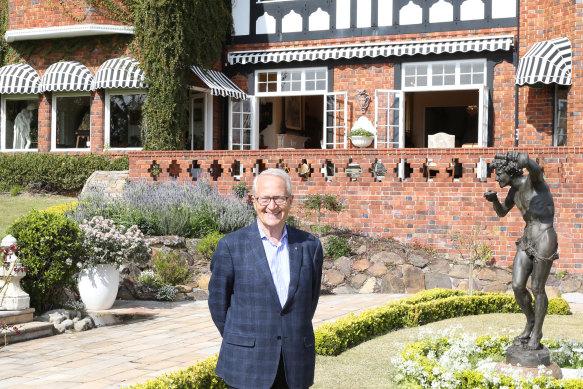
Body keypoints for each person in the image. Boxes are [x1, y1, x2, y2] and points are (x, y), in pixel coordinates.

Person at [208, 168, 324, 389]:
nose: (272, 206)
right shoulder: (231, 246)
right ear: (253, 200)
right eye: (265, 198)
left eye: (279, 198)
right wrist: (245, 339)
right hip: (246, 363)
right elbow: (218, 305)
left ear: (290, 200)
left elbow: (310, 301)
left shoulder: (310, 246)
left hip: (295, 364)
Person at [484, 151, 558, 350]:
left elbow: (533, 167)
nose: (497, 178)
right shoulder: (512, 193)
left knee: (537, 288)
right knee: (517, 286)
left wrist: (523, 159)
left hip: (544, 236)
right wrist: (494, 201)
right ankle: (531, 322)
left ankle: (537, 333)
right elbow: (501, 213)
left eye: (499, 174)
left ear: (510, 172)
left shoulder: (534, 182)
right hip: (527, 238)